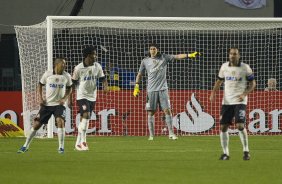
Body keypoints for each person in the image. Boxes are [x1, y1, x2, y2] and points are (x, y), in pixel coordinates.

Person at [133, 43, 200, 140]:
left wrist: (188, 55)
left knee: (167, 111)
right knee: (151, 112)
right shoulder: (145, 61)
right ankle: (151, 135)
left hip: (163, 89)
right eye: (151, 49)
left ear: (157, 49)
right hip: (151, 90)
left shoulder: (164, 58)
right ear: (149, 50)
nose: (152, 51)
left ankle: (171, 134)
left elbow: (177, 56)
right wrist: (136, 86)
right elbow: (139, 74)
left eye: (154, 49)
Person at [17, 58, 72, 154]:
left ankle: (61, 147)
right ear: (56, 64)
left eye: (65, 64)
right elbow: (40, 85)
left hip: (59, 104)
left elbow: (70, 88)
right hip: (47, 104)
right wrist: (40, 98)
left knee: (60, 121)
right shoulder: (47, 74)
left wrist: (65, 98)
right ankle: (25, 145)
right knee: (36, 125)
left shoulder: (67, 76)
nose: (64, 65)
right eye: (62, 64)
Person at [209, 47, 256, 161]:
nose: (233, 56)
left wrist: (245, 94)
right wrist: (213, 93)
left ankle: (246, 151)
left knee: (240, 125)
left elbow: (253, 83)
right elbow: (219, 81)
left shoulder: (245, 67)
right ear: (229, 55)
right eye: (231, 54)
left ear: (239, 55)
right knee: (223, 127)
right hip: (227, 102)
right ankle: (225, 153)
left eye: (235, 54)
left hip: (240, 101)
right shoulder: (224, 67)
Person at [72, 46, 108, 151]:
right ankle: (84, 142)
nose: (95, 56)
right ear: (88, 56)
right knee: (86, 115)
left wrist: (105, 86)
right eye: (94, 54)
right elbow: (73, 83)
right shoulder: (78, 68)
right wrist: (69, 97)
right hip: (81, 96)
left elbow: (103, 79)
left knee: (85, 119)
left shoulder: (97, 66)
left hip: (92, 96)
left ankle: (77, 143)